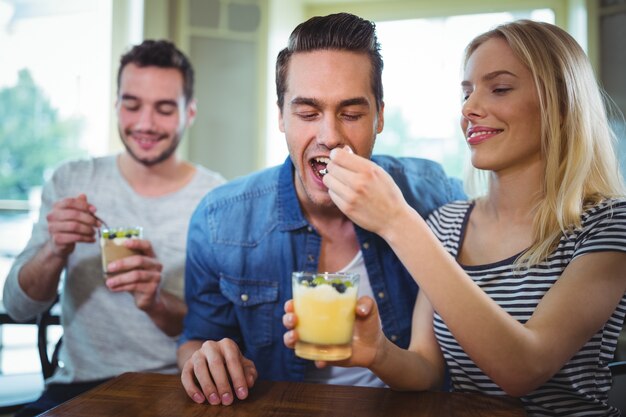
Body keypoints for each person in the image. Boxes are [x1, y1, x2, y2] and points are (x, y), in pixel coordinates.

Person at [283, 20, 626, 416]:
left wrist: (396, 220)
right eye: (467, 92)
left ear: (562, 106)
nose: (469, 109)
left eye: (499, 88)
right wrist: (378, 351)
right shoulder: (447, 223)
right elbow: (426, 370)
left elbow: (523, 369)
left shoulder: (609, 225)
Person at [177, 12, 465, 406]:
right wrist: (204, 358)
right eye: (308, 113)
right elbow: (197, 334)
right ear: (280, 116)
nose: (330, 136)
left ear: (380, 116)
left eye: (351, 114)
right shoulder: (219, 219)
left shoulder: (436, 197)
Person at [3, 39, 225, 416]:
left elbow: (222, 330)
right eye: (132, 104)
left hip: (178, 390)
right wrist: (54, 249)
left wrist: (156, 302)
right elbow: (18, 307)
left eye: (164, 109)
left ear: (190, 112)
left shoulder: (217, 199)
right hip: (75, 391)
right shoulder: (72, 179)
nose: (144, 124)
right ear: (116, 106)